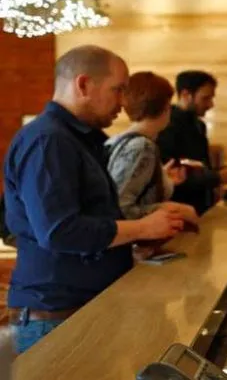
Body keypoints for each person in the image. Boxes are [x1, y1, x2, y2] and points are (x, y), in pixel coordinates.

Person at [3, 46, 185, 353]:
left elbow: (93, 218)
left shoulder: (76, 138)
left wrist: (129, 245)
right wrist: (141, 228)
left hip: (80, 309)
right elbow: (59, 231)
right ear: (84, 85)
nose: (123, 102)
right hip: (56, 316)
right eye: (118, 89)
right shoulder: (49, 140)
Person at [106, 71, 199, 256]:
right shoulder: (142, 146)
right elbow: (119, 209)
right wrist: (173, 209)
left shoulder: (117, 140)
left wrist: (162, 179)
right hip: (131, 252)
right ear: (165, 108)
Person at [156, 70, 227, 215]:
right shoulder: (167, 127)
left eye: (211, 98)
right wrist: (218, 177)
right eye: (205, 98)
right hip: (180, 211)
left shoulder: (199, 125)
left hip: (203, 208)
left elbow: (200, 166)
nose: (211, 104)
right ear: (186, 95)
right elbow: (173, 175)